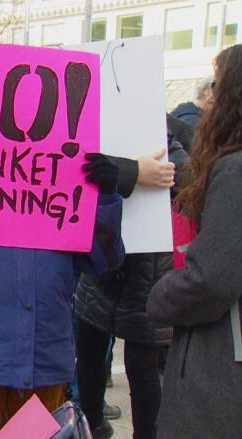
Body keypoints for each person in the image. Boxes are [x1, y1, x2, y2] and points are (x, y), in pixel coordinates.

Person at [147, 44, 242, 439]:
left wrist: (161, 294)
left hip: (219, 378)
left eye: (217, 85)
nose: (209, 96)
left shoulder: (235, 171)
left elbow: (212, 280)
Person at [74, 137, 188, 439]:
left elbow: (186, 174)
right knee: (89, 360)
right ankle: (93, 426)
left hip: (148, 276)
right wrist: (134, 172)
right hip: (103, 270)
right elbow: (85, 165)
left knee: (143, 370)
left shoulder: (168, 138)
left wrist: (132, 173)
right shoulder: (101, 129)